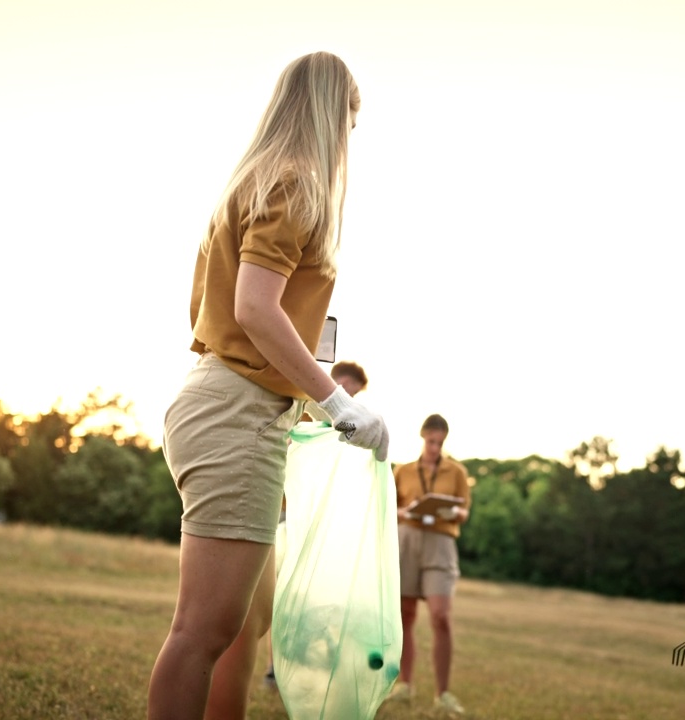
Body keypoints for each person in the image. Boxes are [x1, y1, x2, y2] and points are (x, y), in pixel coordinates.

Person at [147, 52, 389, 720]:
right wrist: (338, 402)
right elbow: (255, 309)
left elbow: (220, 309)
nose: (351, 133)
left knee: (241, 625)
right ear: (327, 111)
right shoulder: (295, 183)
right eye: (350, 116)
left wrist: (299, 393)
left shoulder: (258, 179)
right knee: (202, 631)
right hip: (236, 412)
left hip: (229, 400)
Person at [262, 359, 370, 689]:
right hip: (282, 514)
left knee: (319, 595)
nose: (347, 403)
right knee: (282, 592)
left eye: (354, 397)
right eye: (345, 393)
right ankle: (274, 667)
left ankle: (310, 667)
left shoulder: (346, 428)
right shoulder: (299, 405)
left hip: (321, 520)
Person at [387, 413, 471, 714]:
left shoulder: (457, 472)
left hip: (440, 543)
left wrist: (453, 513)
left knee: (440, 616)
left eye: (440, 442)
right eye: (431, 441)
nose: (435, 447)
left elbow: (464, 512)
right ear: (423, 437)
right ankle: (404, 685)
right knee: (405, 614)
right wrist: (405, 510)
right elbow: (388, 507)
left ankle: (443, 694)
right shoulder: (403, 470)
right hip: (407, 539)